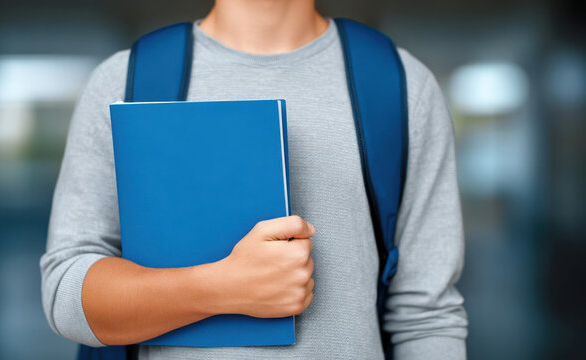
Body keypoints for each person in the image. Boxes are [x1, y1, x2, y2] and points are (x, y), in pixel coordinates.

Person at [40, 0, 468, 358]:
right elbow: (66, 294)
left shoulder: (402, 87)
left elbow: (426, 317)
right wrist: (220, 288)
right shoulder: (126, 82)